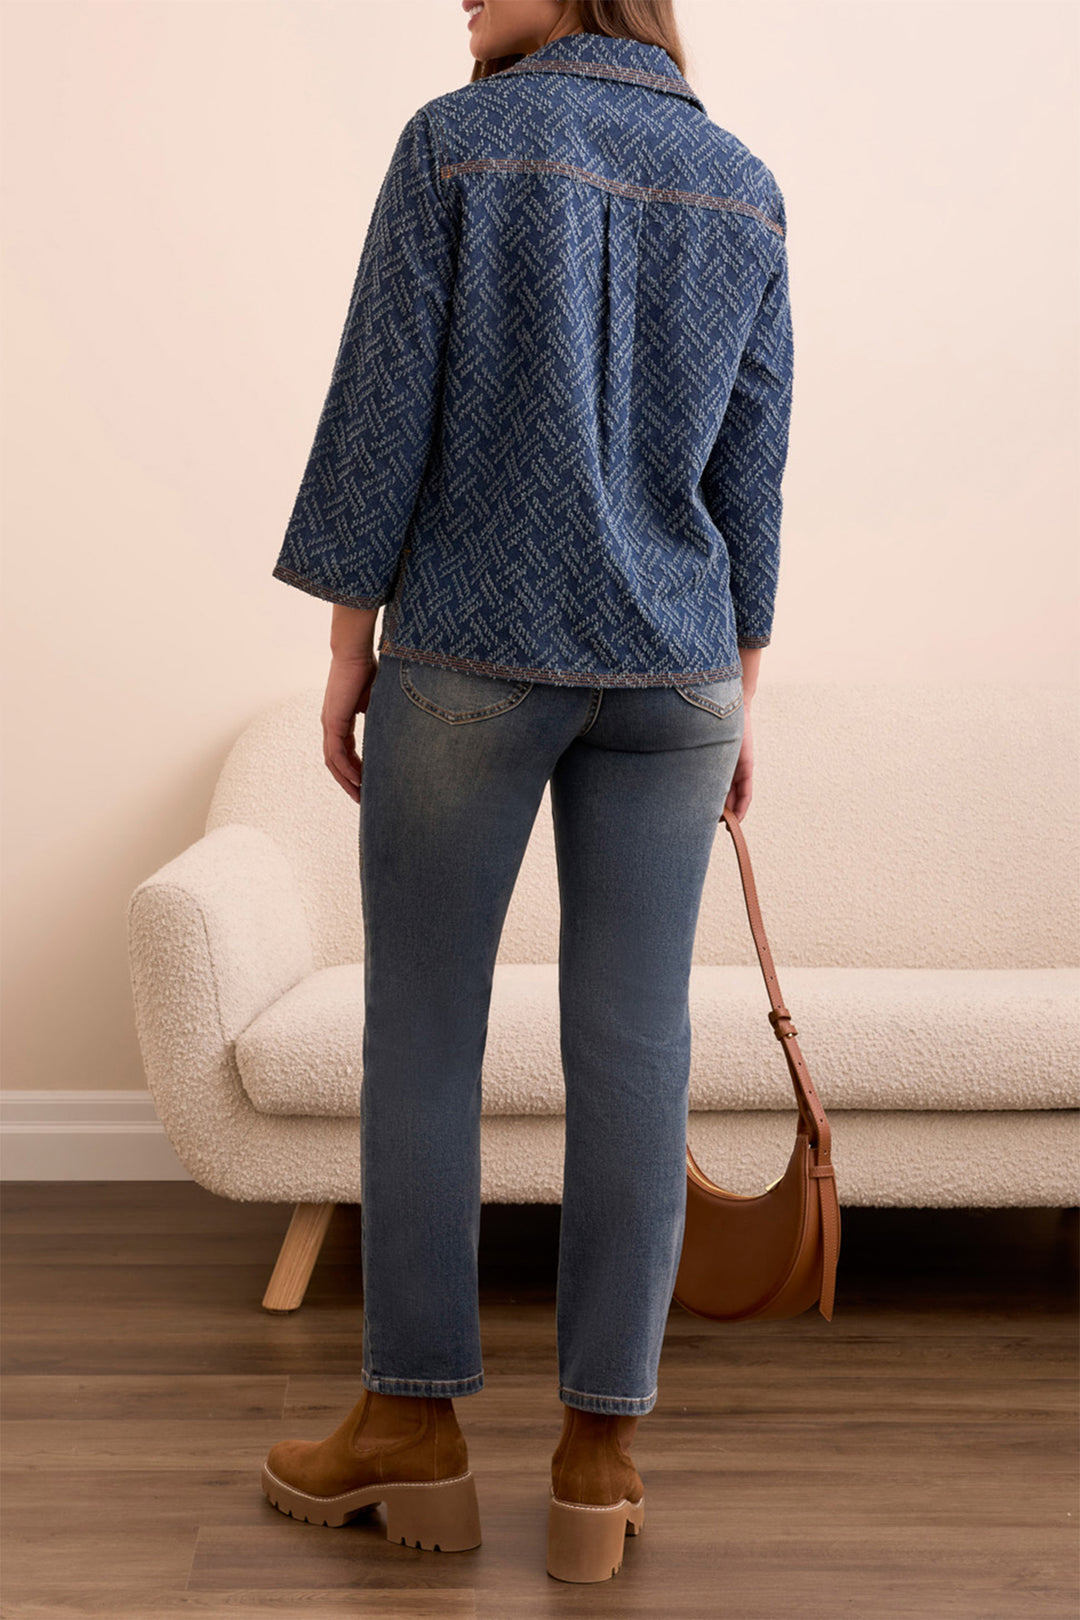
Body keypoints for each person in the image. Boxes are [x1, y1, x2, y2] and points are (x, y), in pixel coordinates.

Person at [261, 0, 793, 1585]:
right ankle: (599, 1465)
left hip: (476, 653)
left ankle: (410, 1430)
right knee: (637, 1057)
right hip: (679, 676)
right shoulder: (743, 182)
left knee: (424, 1031)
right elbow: (752, 467)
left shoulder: (459, 144)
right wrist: (738, 694)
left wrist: (350, 645)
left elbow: (380, 414)